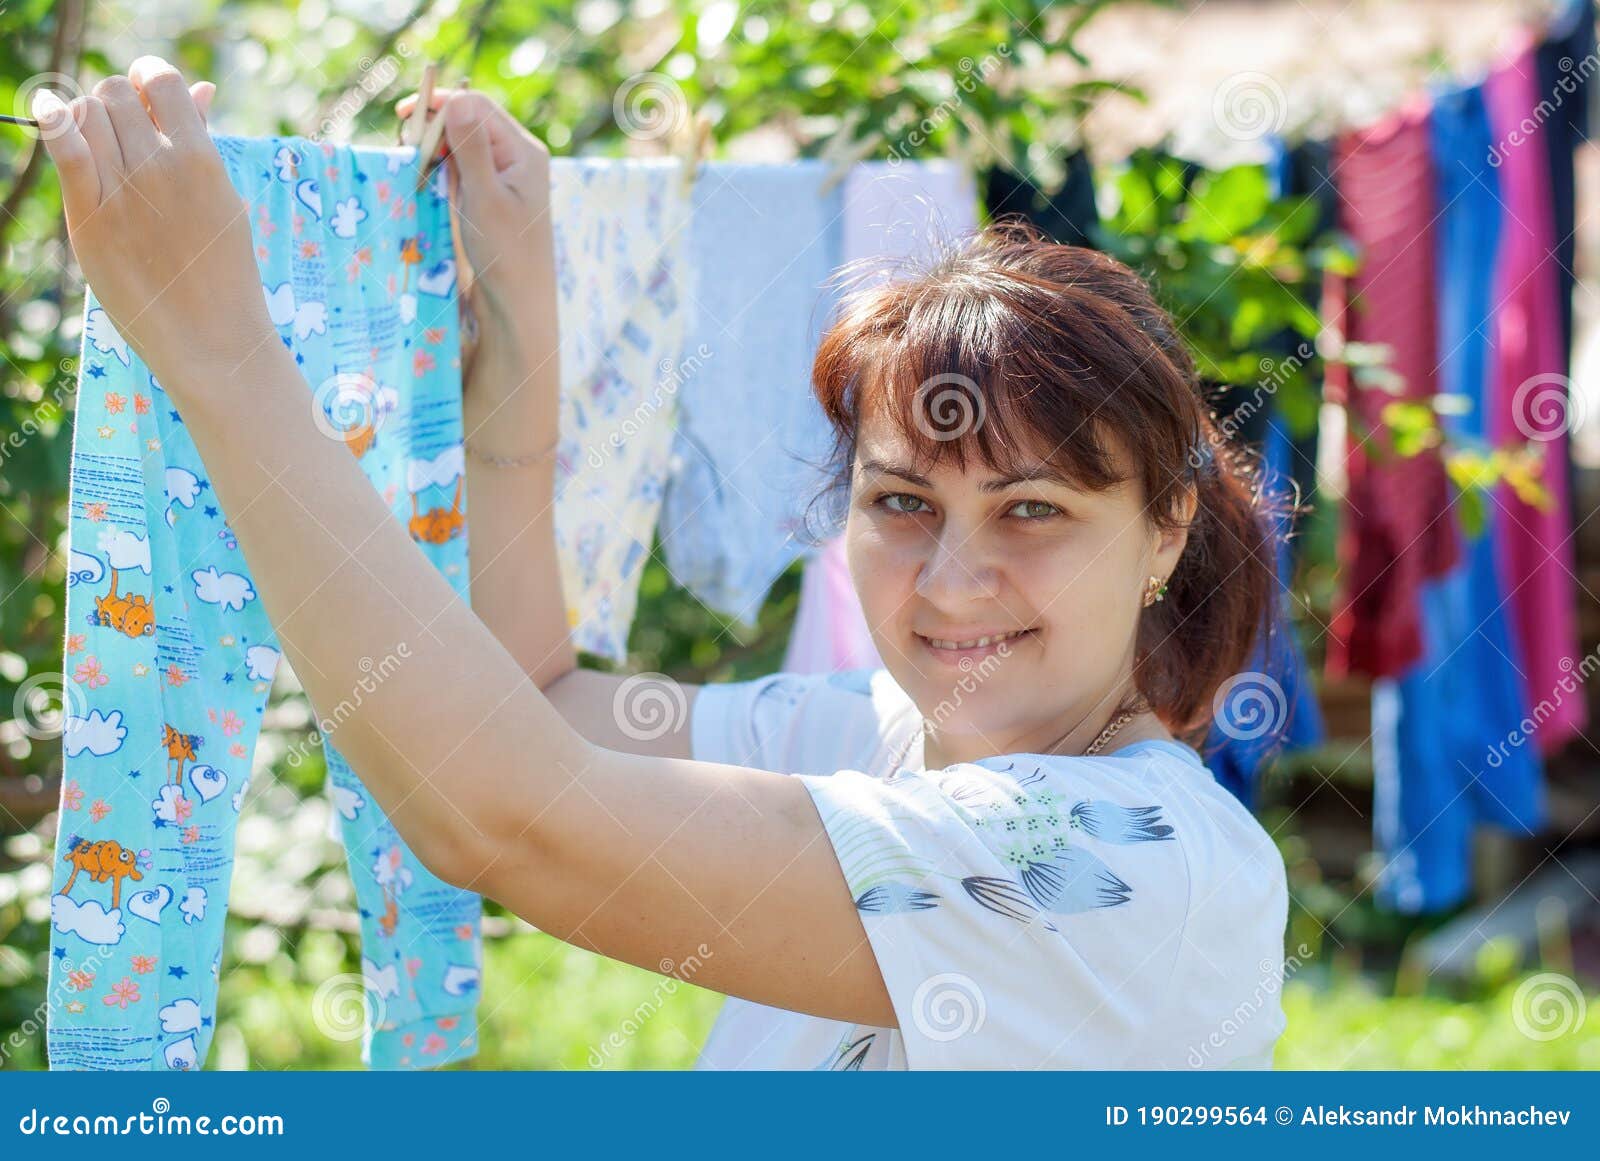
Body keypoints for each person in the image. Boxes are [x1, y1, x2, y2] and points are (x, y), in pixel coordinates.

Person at [33, 57, 1290, 1069]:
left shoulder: (1134, 869)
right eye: (903, 502)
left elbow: (510, 815)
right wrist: (521, 323)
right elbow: (539, 707)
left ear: (1165, 527)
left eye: (1032, 512)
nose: (952, 580)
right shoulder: (872, 733)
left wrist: (221, 351)